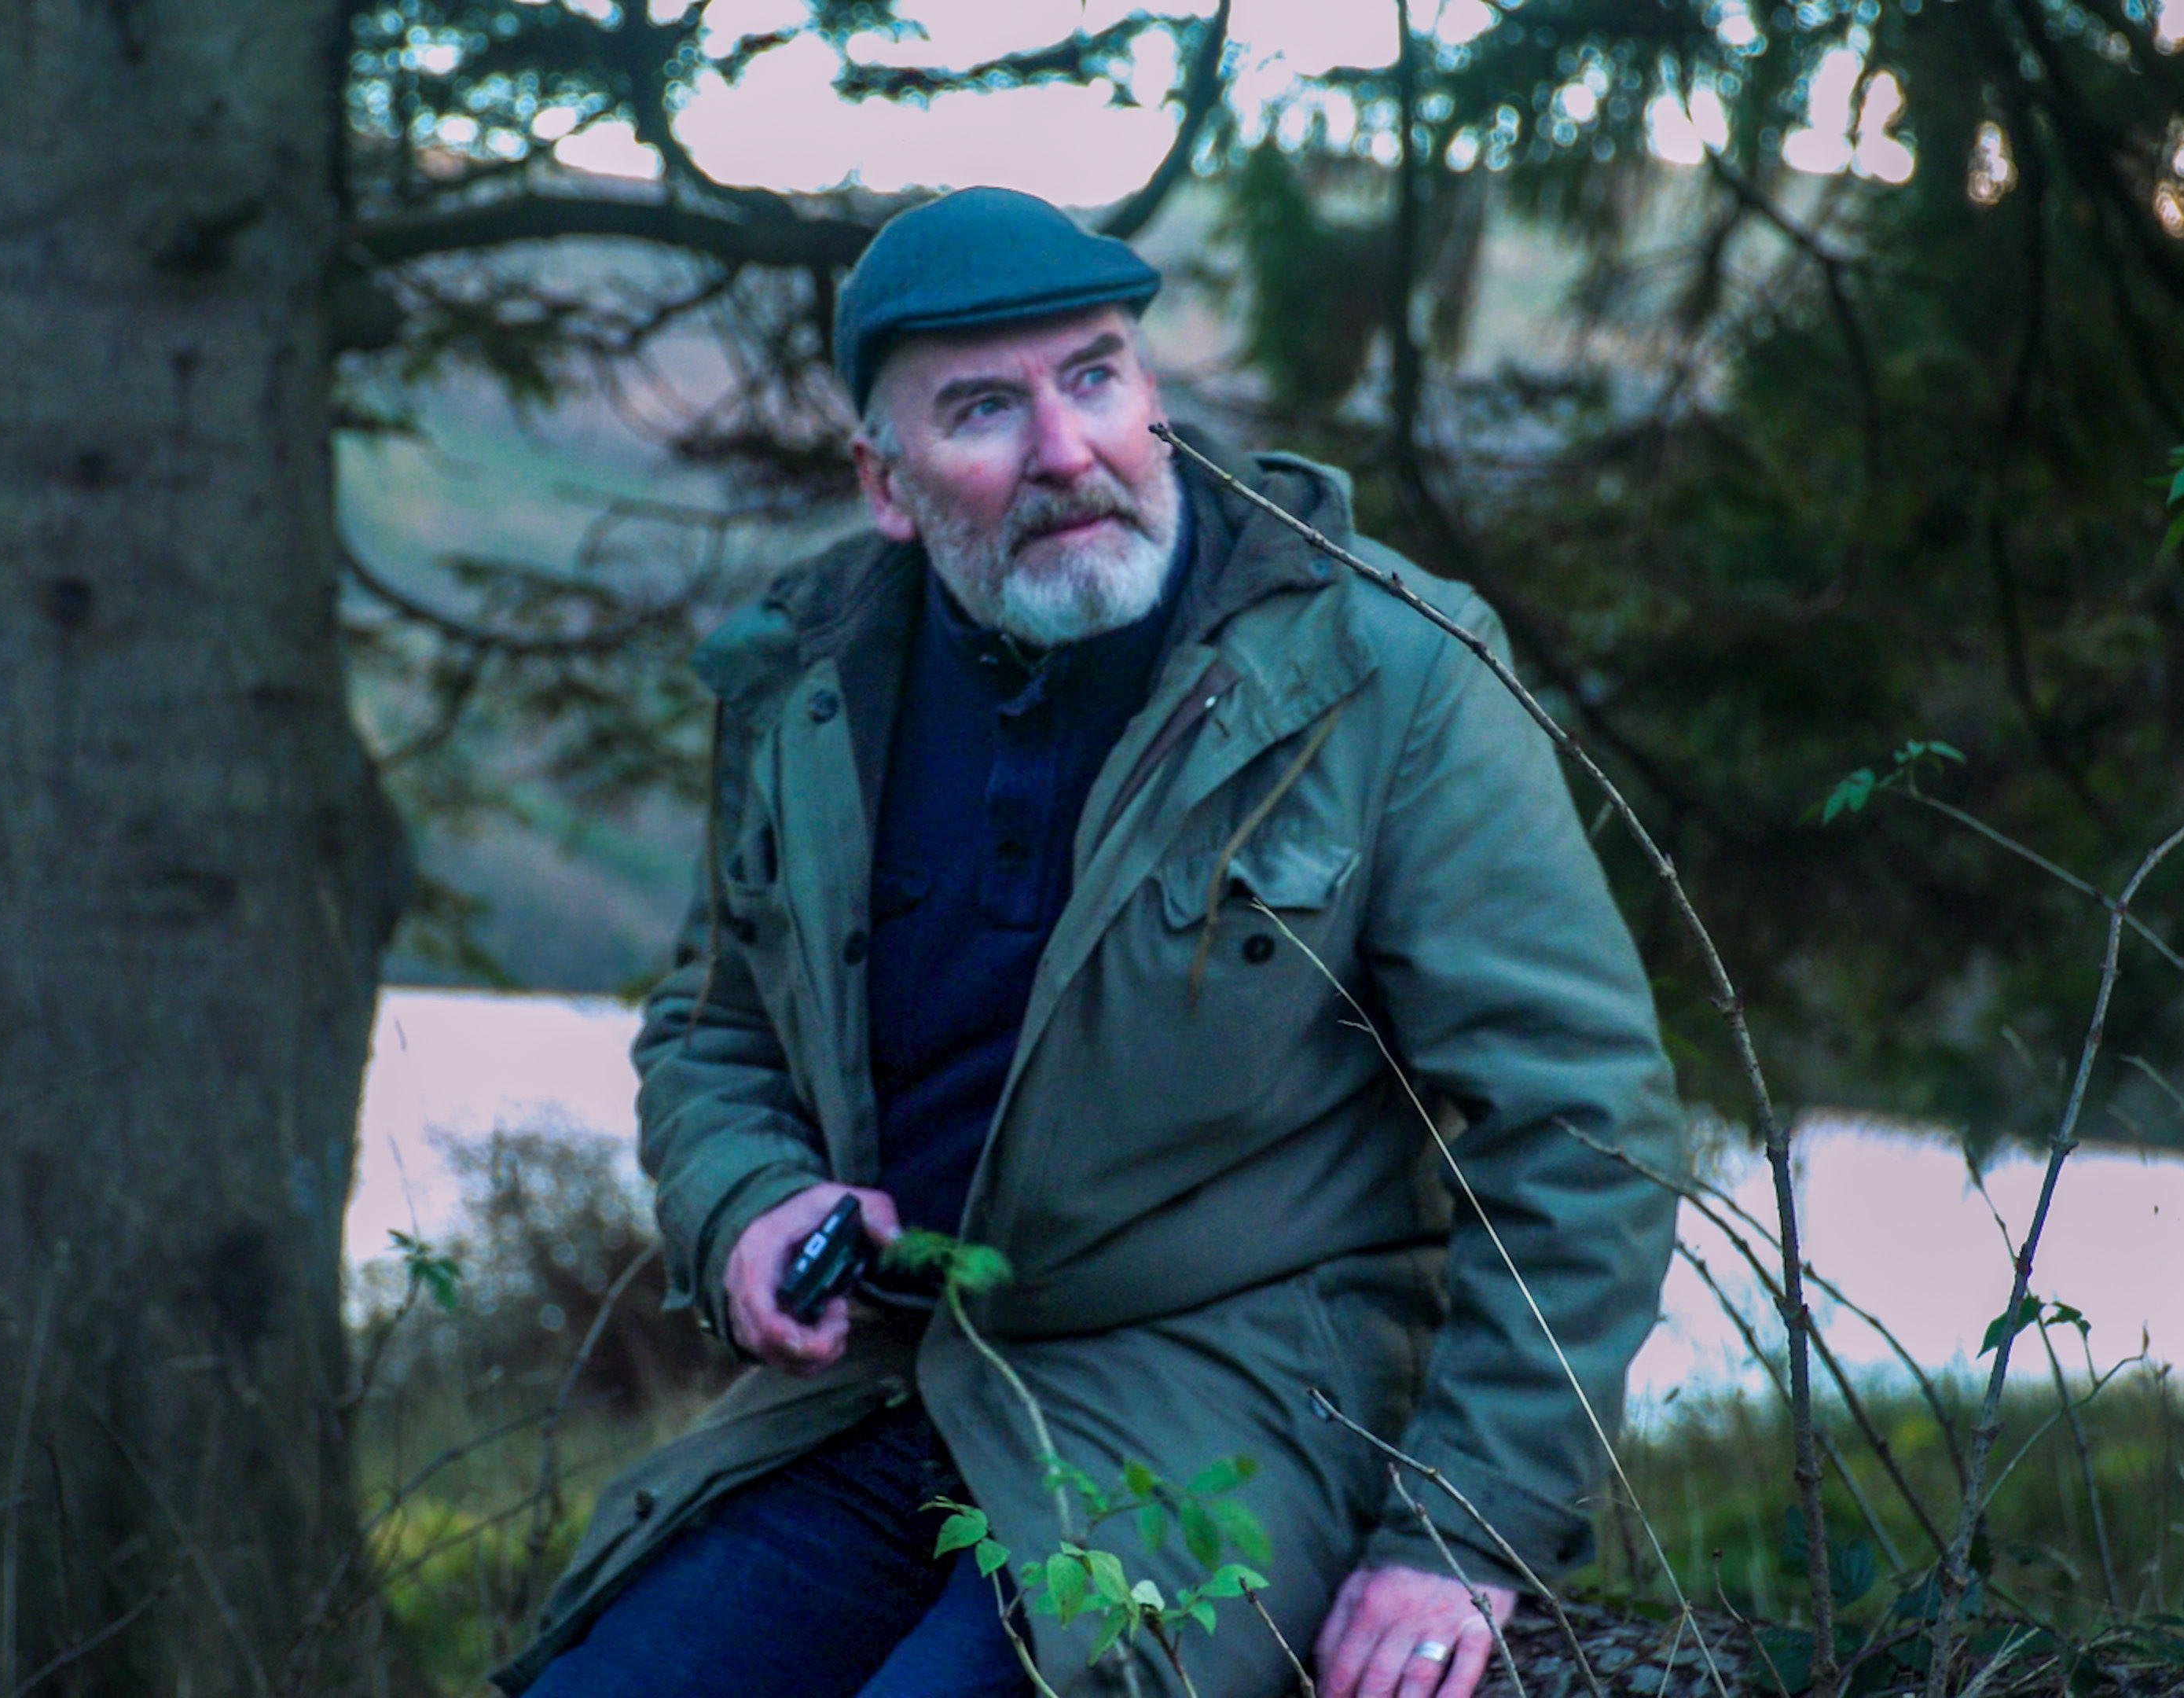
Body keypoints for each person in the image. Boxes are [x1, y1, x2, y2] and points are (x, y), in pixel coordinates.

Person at [497, 186, 1682, 1698]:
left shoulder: (1387, 670)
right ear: (884, 481)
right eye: (985, 409)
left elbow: (1583, 1124)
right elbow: (716, 1024)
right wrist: (747, 1202)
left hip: (1236, 1400)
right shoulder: (807, 681)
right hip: (888, 1391)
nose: (1067, 451)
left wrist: (1466, 1525)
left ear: (1151, 394)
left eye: (1095, 377)